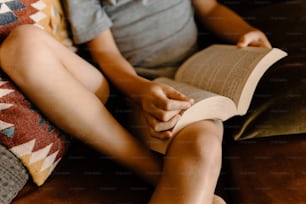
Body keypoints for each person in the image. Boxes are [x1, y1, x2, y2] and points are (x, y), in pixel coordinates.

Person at [0, 1, 271, 204]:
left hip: (191, 81)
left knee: (202, 145)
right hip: (125, 85)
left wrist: (246, 31)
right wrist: (140, 90)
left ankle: (180, 184)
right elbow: (107, 55)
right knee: (24, 43)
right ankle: (159, 173)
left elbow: (211, 9)